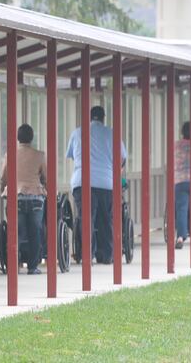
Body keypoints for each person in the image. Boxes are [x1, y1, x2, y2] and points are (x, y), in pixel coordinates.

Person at [66, 106, 127, 264]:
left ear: (89, 117)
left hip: (81, 182)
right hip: (106, 183)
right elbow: (122, 159)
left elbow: (72, 155)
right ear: (103, 118)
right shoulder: (112, 134)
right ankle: (106, 255)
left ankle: (87, 254)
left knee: (86, 218)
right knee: (106, 219)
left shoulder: (77, 133)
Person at [0, 124, 47, 274]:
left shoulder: (10, 155)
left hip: (16, 198)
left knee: (16, 232)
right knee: (35, 232)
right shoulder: (40, 155)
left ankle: (15, 264)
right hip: (35, 199)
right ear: (31, 138)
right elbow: (46, 177)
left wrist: (3, 190)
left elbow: (4, 177)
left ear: (17, 138)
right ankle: (32, 267)